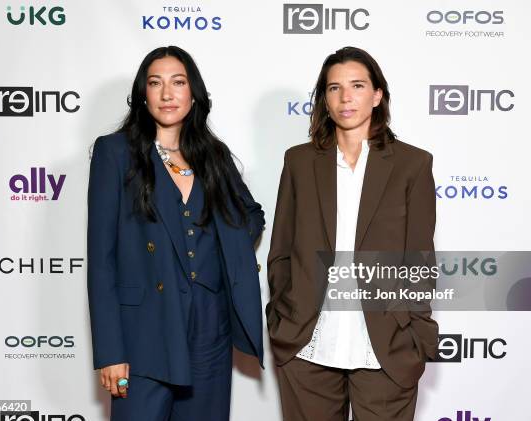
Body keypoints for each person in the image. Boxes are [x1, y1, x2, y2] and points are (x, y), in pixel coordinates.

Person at [87, 46, 265, 420]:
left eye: (178, 82)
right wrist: (110, 353)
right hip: (143, 334)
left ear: (193, 92)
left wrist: (228, 254)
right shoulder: (115, 153)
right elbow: (101, 260)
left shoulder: (213, 155)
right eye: (156, 83)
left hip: (208, 330)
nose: (167, 94)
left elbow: (250, 215)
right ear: (143, 94)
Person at [267, 46, 438, 421]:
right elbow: (280, 251)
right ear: (324, 99)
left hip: (386, 347)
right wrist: (283, 316)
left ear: (377, 95)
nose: (346, 97)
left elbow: (420, 261)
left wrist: (413, 335)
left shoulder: (413, 164)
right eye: (334, 88)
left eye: (358, 85)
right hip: (307, 346)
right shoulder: (298, 161)